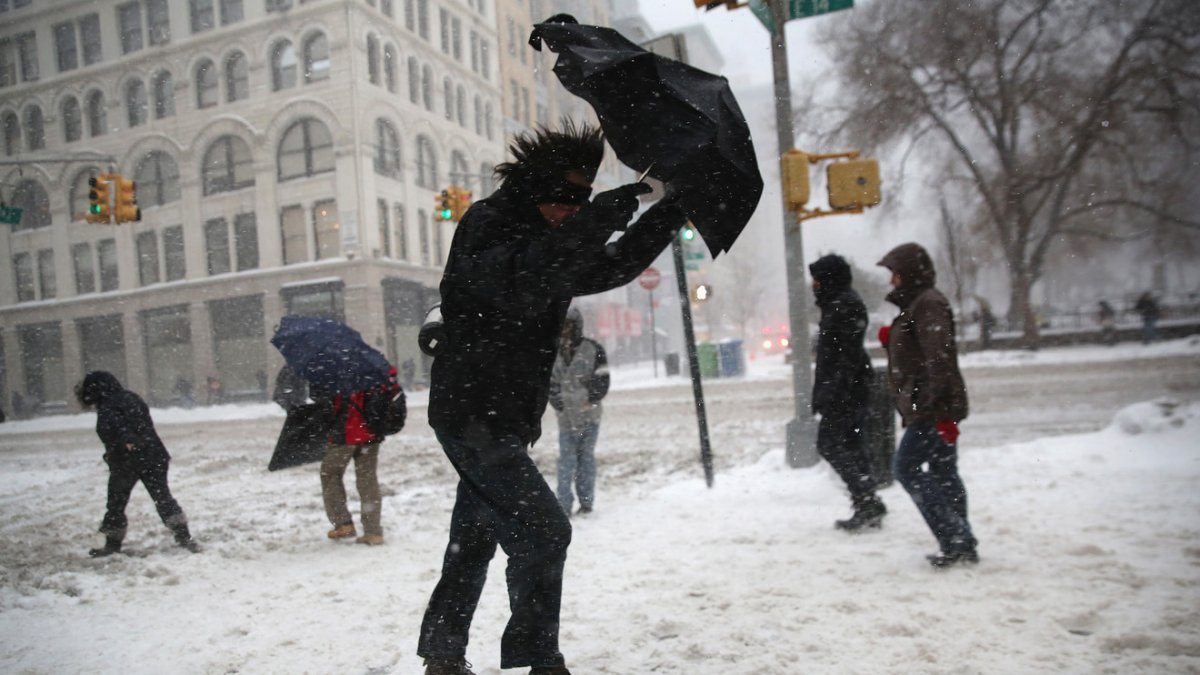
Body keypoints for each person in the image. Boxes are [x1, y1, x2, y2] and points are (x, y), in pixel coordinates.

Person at [417, 121, 686, 675]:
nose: (571, 210)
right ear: (536, 186)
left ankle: (443, 656)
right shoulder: (488, 225)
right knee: (545, 529)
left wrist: (672, 209)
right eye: (564, 200)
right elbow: (524, 272)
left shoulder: (555, 243)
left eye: (581, 200)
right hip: (470, 414)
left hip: (507, 418)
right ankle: (540, 660)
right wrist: (599, 218)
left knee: (474, 537)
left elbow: (612, 265)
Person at [877, 243, 976, 568]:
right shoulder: (921, 304)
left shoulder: (928, 304)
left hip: (932, 406)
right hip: (932, 403)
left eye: (894, 273)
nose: (891, 280)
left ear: (907, 273)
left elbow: (939, 356)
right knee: (944, 472)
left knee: (905, 469)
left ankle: (956, 538)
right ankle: (961, 541)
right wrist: (893, 338)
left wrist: (941, 409)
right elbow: (922, 348)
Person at [75, 371, 199, 557]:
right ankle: (184, 537)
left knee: (116, 503)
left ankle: (112, 544)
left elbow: (121, 428)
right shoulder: (130, 397)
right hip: (154, 455)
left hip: (128, 460)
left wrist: (127, 444)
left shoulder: (109, 405)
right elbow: (140, 423)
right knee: (163, 497)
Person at [809, 254, 885, 532]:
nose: (813, 285)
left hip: (845, 391)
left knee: (829, 444)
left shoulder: (844, 306)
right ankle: (867, 502)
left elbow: (844, 357)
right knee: (852, 446)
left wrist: (831, 393)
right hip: (848, 389)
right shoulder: (839, 304)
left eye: (817, 279)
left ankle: (866, 498)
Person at [310, 370, 399, 546]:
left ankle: (343, 523)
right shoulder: (374, 366)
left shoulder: (334, 369)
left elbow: (323, 399)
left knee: (330, 474)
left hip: (347, 432)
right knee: (368, 479)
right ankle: (373, 531)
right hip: (371, 432)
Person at [548, 307, 610, 518]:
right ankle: (563, 504)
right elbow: (549, 384)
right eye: (562, 325)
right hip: (565, 419)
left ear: (577, 327)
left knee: (585, 460)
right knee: (566, 462)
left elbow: (603, 380)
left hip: (589, 417)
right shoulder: (552, 352)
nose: (565, 330)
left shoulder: (594, 349)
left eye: (569, 325)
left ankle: (586, 503)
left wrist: (590, 399)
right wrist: (559, 404)